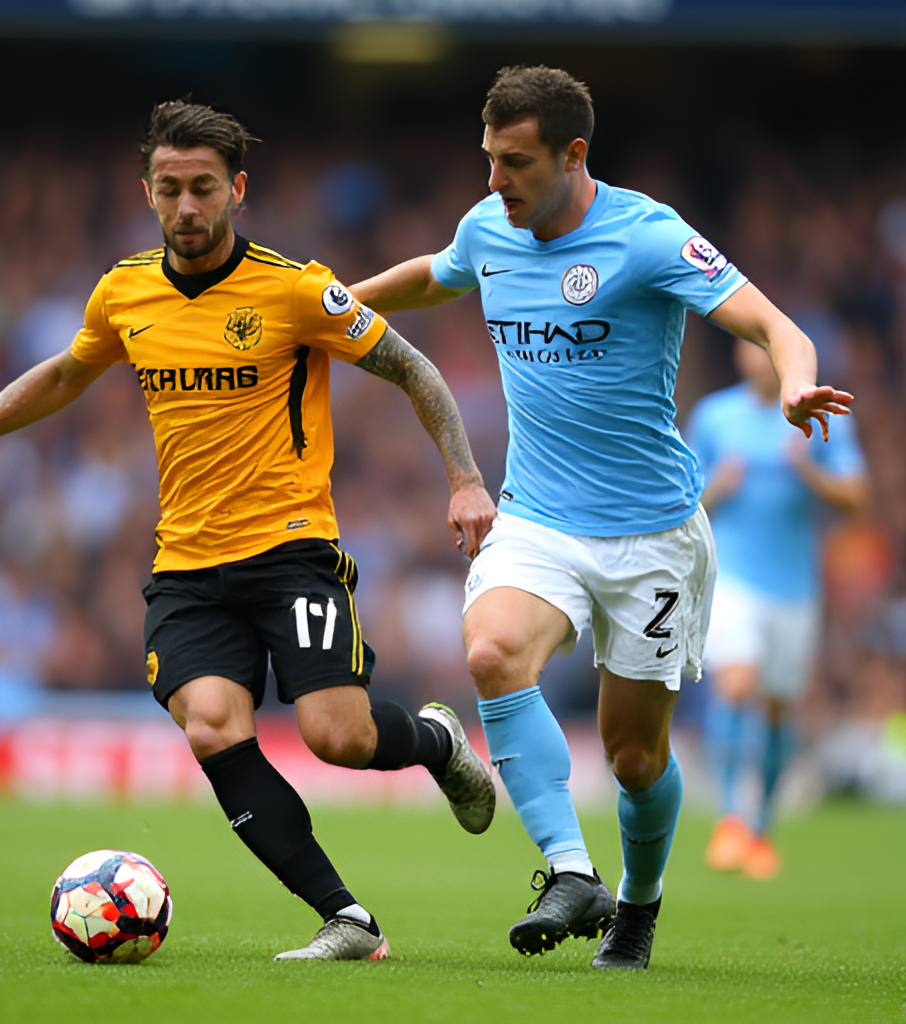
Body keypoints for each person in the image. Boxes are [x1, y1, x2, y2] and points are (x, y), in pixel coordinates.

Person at [0, 100, 498, 961]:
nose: (188, 206)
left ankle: (438, 743)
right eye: (171, 188)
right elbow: (69, 372)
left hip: (292, 552)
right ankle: (347, 920)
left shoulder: (296, 288)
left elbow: (413, 368)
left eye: (204, 188)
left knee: (340, 736)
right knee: (215, 727)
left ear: (237, 190)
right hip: (185, 566)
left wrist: (465, 478)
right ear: (148, 191)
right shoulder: (125, 291)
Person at [350, 65, 853, 970]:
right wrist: (334, 305)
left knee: (633, 759)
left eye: (514, 163)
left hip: (654, 534)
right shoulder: (487, 226)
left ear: (573, 155)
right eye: (488, 159)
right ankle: (570, 868)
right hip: (537, 518)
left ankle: (638, 905)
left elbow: (777, 326)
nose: (494, 182)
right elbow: (438, 274)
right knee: (492, 652)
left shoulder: (647, 235)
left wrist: (794, 382)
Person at [689, 337, 865, 880]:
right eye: (753, 347)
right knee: (736, 685)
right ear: (741, 357)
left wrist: (806, 472)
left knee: (777, 710)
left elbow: (855, 497)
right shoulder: (715, 417)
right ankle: (729, 820)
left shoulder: (817, 414)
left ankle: (761, 828)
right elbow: (684, 498)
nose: (761, 358)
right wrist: (720, 485)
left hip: (794, 589)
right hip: (734, 578)